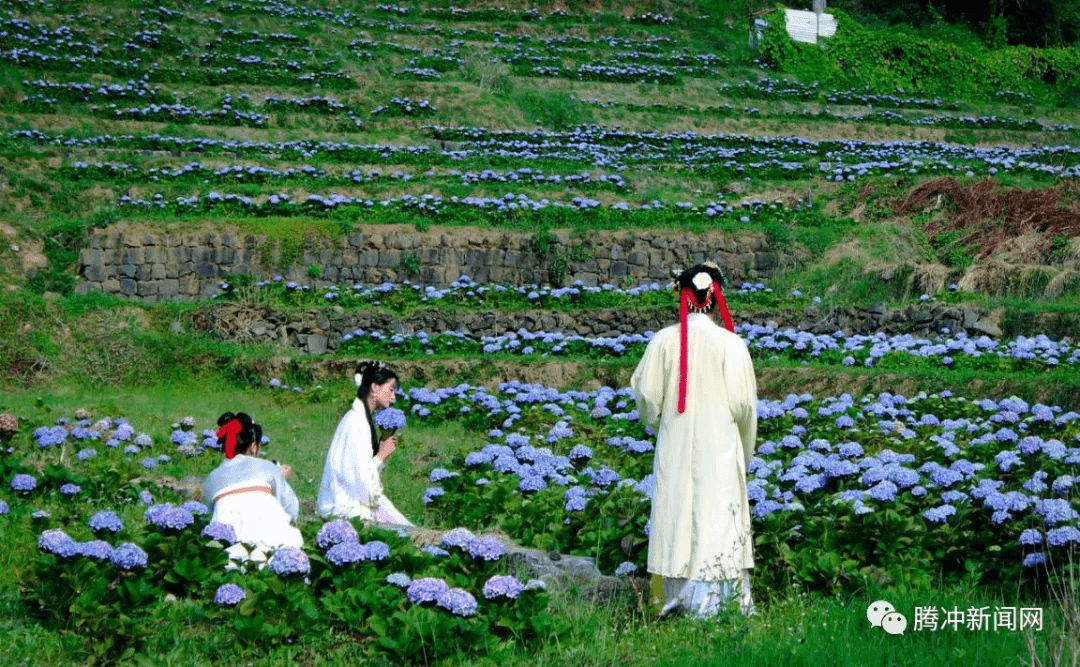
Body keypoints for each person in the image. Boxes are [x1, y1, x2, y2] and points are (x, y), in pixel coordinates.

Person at [630, 263, 758, 618]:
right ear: (717, 299)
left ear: (682, 297)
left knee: (676, 516)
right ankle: (722, 607)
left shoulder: (663, 342)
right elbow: (745, 408)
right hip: (719, 449)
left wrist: (657, 422)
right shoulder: (732, 345)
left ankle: (668, 601)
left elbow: (647, 398)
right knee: (717, 519)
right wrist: (742, 456)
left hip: (676, 444)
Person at [317, 361, 412, 525]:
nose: (393, 396)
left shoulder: (360, 419)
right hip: (344, 508)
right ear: (375, 387)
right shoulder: (357, 424)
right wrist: (381, 456)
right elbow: (364, 487)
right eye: (390, 389)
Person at [203, 412, 302, 565]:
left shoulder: (212, 479)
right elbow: (292, 511)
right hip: (272, 552)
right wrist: (282, 479)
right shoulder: (268, 468)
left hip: (227, 557)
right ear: (254, 445)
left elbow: (209, 518)